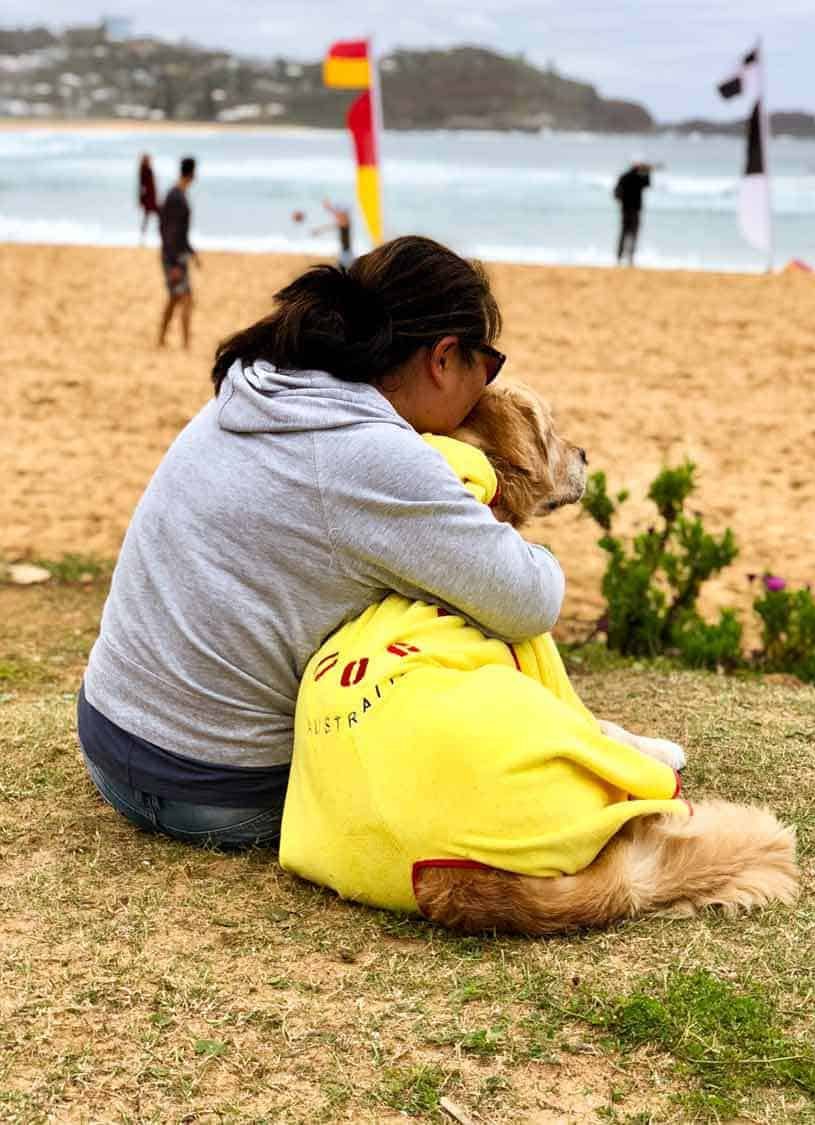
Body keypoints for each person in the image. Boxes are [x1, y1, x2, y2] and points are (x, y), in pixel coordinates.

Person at [78, 235, 565, 849]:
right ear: (443, 359)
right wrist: (530, 545)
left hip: (109, 733)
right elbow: (528, 600)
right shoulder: (371, 454)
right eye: (487, 367)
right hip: (211, 790)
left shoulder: (262, 383)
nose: (488, 388)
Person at [158, 156, 199, 349]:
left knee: (176, 298)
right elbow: (168, 230)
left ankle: (162, 338)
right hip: (173, 257)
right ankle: (185, 344)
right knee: (185, 299)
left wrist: (192, 252)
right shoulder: (176, 196)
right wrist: (173, 263)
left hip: (177, 255)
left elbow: (179, 231)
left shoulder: (178, 194)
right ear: (192, 173)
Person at [613, 161, 660, 266]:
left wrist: (622, 201)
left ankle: (620, 258)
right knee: (633, 235)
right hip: (634, 211)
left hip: (625, 211)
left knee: (624, 235)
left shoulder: (624, 177)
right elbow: (647, 184)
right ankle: (630, 258)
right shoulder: (638, 178)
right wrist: (647, 172)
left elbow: (616, 193)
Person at [313, 199, 354, 268]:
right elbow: (331, 225)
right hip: (345, 253)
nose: (340, 214)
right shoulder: (344, 222)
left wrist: (329, 207)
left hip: (346, 254)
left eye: (342, 213)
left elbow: (337, 217)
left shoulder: (345, 221)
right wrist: (319, 230)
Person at [138, 154, 158, 240]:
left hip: (149, 197)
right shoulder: (145, 170)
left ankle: (143, 236)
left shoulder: (144, 170)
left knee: (147, 217)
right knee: (156, 215)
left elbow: (143, 186)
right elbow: (143, 186)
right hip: (149, 198)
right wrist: (142, 198)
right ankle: (143, 236)